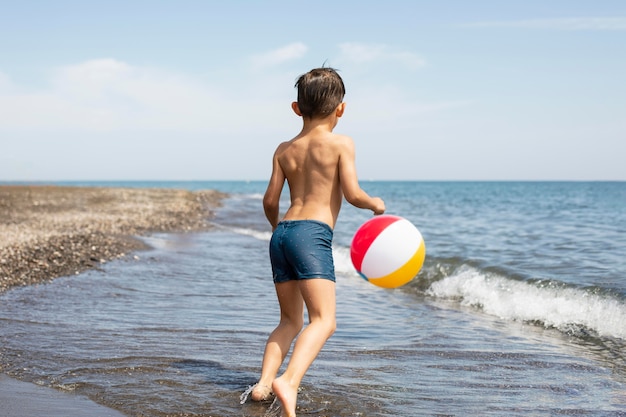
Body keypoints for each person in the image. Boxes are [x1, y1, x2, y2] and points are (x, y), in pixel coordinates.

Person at [251, 67, 385, 417]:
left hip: (282, 234)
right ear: (341, 109)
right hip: (312, 234)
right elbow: (353, 194)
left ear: (297, 108)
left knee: (288, 321)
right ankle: (289, 381)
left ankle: (263, 384)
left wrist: (277, 228)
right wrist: (375, 204)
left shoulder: (284, 149)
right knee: (324, 320)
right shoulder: (342, 143)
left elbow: (269, 201)